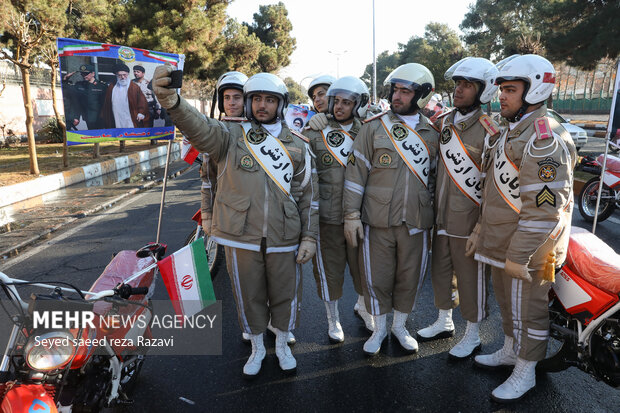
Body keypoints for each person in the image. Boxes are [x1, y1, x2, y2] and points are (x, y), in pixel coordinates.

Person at [152, 67, 319, 377]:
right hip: (240, 236)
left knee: (286, 294)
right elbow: (198, 127)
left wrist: (309, 238)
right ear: (248, 102)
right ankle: (257, 347)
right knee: (249, 295)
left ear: (280, 104)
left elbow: (308, 197)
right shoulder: (228, 135)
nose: (262, 106)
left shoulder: (299, 145)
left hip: (285, 236)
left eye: (270, 100)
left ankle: (282, 344)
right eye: (256, 99)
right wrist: (173, 102)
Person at [466, 54, 576, 402]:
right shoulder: (513, 129)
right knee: (509, 304)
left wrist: (519, 253)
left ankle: (526, 370)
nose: (502, 96)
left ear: (535, 90)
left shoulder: (545, 138)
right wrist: (481, 231)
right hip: (503, 239)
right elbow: (493, 191)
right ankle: (511, 350)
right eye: (502, 89)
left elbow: (545, 211)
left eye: (511, 90)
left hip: (530, 248)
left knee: (529, 309)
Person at [343, 63, 439, 355]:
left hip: (416, 221)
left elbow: (435, 180)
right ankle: (380, 327)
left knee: (410, 277)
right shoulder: (374, 128)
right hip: (377, 219)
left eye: (405, 91)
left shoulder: (433, 134)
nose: (397, 96)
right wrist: (350, 216)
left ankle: (399, 325)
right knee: (376, 277)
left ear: (421, 95)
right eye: (395, 90)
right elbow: (356, 173)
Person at [416, 57, 499, 360]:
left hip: (470, 220)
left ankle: (473, 333)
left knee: (471, 277)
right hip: (441, 216)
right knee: (441, 271)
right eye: (457, 84)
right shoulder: (445, 121)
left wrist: (483, 225)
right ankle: (443, 321)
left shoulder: (491, 129)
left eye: (467, 85)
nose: (459, 90)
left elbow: (492, 183)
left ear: (483, 90)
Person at [302, 76, 373, 342]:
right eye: (336, 101)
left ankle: (365, 308)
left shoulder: (368, 131)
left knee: (363, 270)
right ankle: (333, 320)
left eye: (347, 102)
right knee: (327, 273)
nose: (340, 107)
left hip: (360, 217)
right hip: (326, 219)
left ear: (358, 104)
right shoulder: (313, 131)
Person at [102, 63, 150, 128]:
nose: (122, 77)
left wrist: (141, 112)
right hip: (116, 116)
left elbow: (142, 102)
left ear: (128, 74)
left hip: (130, 116)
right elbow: (106, 103)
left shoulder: (134, 87)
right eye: (120, 75)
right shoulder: (112, 87)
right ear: (116, 75)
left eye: (124, 75)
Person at [62, 63, 107, 130]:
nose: (84, 76)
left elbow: (106, 103)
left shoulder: (102, 86)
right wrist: (65, 79)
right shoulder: (80, 85)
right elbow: (68, 89)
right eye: (82, 74)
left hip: (100, 118)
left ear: (93, 74)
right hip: (87, 117)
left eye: (86, 74)